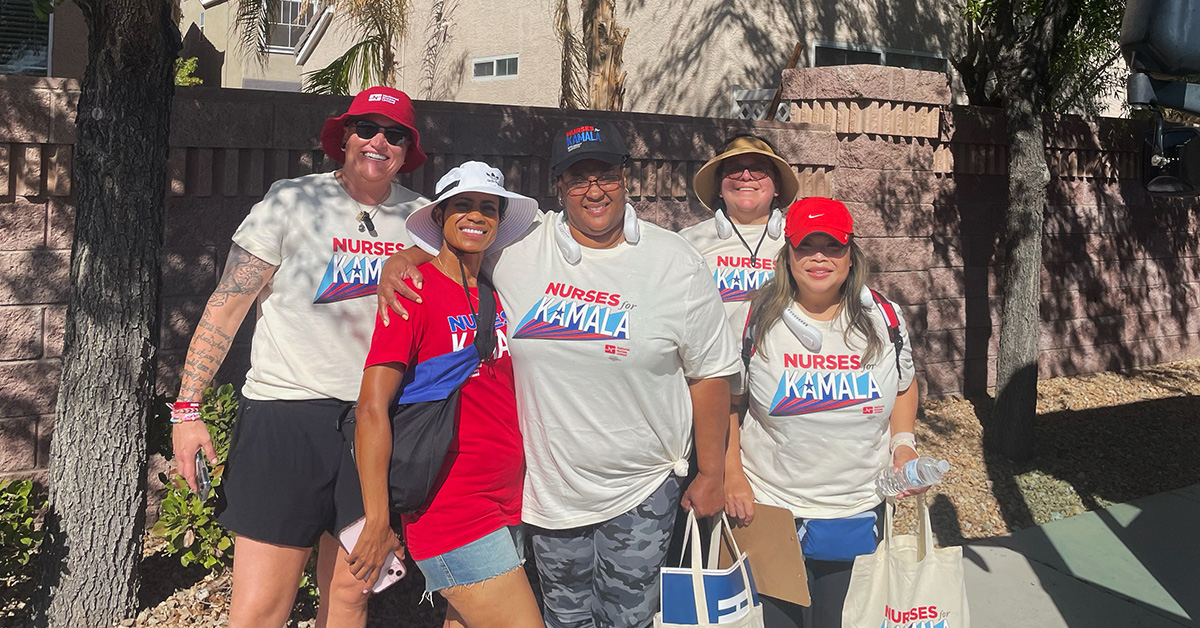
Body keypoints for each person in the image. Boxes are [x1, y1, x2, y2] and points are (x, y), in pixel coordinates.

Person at [375, 121, 743, 628]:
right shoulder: (520, 250)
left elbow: (710, 376)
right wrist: (406, 255)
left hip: (641, 487)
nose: (594, 189)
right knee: (563, 617)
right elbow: (459, 242)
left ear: (625, 177)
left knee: (626, 618)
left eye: (606, 174)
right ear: (558, 186)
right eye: (578, 176)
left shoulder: (675, 261)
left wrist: (712, 473)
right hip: (549, 494)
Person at [169, 86, 427, 628]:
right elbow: (228, 303)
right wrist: (187, 409)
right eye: (367, 128)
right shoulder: (291, 200)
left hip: (375, 426)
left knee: (352, 596)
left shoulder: (424, 220)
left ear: (408, 149)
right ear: (344, 138)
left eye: (395, 133)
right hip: (286, 418)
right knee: (262, 607)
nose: (379, 141)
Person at [351, 161, 542, 627]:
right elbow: (371, 408)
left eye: (488, 208)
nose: (476, 216)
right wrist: (377, 519)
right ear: (440, 216)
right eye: (463, 205)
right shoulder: (412, 292)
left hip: (507, 498)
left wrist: (406, 254)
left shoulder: (495, 291)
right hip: (452, 505)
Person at [724, 197, 921, 628]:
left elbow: (904, 387)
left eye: (832, 245)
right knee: (778, 623)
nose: (819, 257)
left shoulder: (884, 318)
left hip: (856, 508)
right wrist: (731, 475)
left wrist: (903, 445)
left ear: (851, 255)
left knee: (839, 621)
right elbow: (729, 403)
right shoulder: (756, 318)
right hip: (771, 509)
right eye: (805, 245)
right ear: (788, 255)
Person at [679, 134, 800, 323]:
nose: (745, 176)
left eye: (758, 170)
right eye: (734, 170)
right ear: (719, 187)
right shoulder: (688, 242)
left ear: (776, 186)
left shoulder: (799, 240)